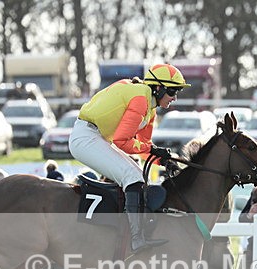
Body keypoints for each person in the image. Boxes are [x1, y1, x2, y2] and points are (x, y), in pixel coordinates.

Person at [68, 63, 190, 253]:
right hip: (85, 138)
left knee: (139, 176)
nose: (174, 97)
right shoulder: (141, 99)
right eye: (172, 91)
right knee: (132, 176)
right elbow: (122, 141)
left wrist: (164, 160)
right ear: (158, 88)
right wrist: (154, 150)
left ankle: (133, 232)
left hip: (97, 137)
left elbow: (143, 146)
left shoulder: (150, 108)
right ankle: (136, 238)